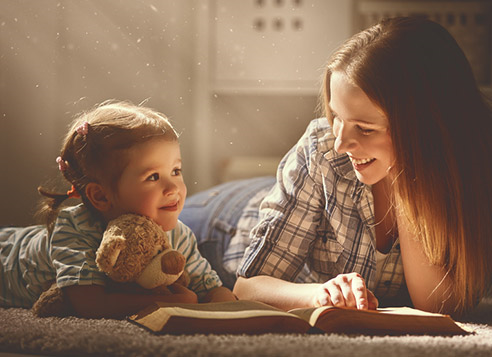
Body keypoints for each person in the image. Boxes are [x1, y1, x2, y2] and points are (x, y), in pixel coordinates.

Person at [180, 16, 492, 316]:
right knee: (150, 234)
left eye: (366, 129)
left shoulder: (471, 170)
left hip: (284, 194)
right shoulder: (324, 149)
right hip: (222, 223)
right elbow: (248, 287)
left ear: (428, 128)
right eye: (338, 118)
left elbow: (439, 306)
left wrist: (408, 179)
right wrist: (318, 295)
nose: (342, 143)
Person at [0, 100, 235, 318]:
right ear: (100, 196)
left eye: (176, 171)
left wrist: (226, 306)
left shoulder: (178, 235)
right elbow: (91, 305)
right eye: (153, 176)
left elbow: (211, 288)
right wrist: (175, 301)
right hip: (1, 258)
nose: (173, 187)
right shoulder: (74, 228)